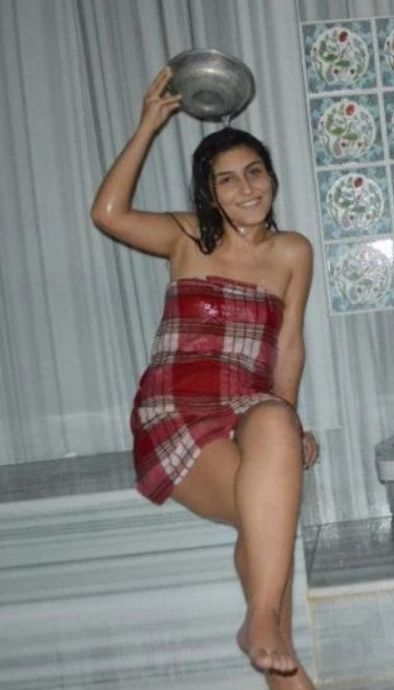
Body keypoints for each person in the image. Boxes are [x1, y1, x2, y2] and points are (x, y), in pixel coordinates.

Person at [90, 68, 319, 689]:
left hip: (252, 408)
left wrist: (291, 426)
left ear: (272, 177)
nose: (246, 187)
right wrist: (148, 127)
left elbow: (289, 345)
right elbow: (107, 213)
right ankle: (267, 628)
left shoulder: (293, 251)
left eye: (255, 172)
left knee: (274, 434)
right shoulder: (186, 237)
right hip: (177, 410)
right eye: (227, 178)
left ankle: (262, 626)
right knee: (267, 521)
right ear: (208, 193)